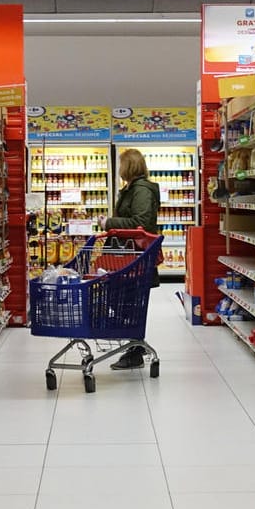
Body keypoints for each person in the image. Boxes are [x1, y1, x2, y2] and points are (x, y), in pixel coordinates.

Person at [107, 148, 160, 370]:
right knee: (122, 300)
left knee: (131, 302)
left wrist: (109, 223)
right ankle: (132, 345)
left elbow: (142, 222)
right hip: (126, 254)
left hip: (135, 256)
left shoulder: (142, 191)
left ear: (128, 166)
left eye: (121, 165)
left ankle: (135, 349)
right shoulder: (131, 189)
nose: (119, 169)